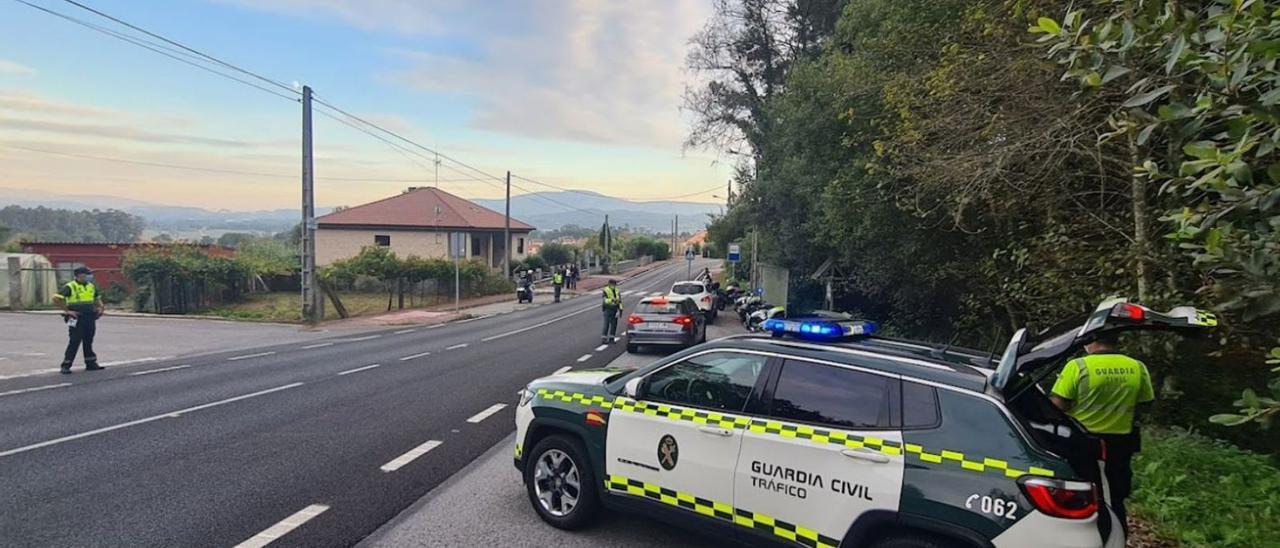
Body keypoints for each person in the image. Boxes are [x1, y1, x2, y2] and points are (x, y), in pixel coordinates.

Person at [1050, 333, 1153, 534]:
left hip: (1083, 442)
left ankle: (1091, 535)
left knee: (1081, 494)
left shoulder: (1078, 366)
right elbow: (1146, 405)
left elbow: (1057, 406)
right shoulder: (1137, 367)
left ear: (1090, 342)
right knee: (1116, 496)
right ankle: (1118, 535)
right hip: (1122, 443)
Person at [53, 266, 106, 374]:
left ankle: (91, 363)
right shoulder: (70, 286)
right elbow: (56, 298)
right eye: (86, 274)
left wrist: (100, 308)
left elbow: (97, 298)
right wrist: (67, 311)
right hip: (76, 317)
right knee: (75, 340)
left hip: (89, 316)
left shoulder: (91, 286)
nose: (89, 276)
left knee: (88, 340)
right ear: (79, 275)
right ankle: (66, 365)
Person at [601, 279, 622, 344]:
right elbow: (605, 301)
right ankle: (604, 339)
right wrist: (612, 300)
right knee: (606, 324)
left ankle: (611, 339)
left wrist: (620, 310)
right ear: (609, 284)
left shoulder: (617, 290)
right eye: (613, 284)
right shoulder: (605, 290)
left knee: (614, 325)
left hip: (615, 309)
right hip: (607, 309)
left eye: (615, 284)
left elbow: (620, 301)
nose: (614, 286)